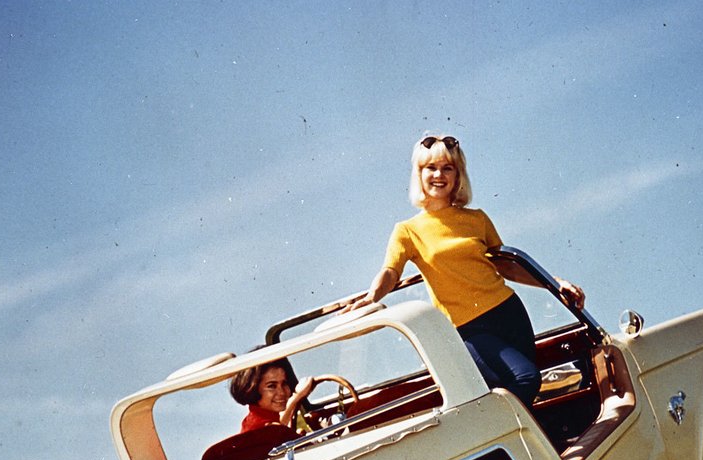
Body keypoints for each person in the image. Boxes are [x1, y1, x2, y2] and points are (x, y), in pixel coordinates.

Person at [350, 134, 584, 408]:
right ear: (419, 174)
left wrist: (554, 284)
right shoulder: (407, 231)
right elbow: (391, 271)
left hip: (509, 314)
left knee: (517, 393)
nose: (439, 175)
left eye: (447, 168)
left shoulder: (477, 219)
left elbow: (507, 265)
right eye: (431, 168)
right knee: (525, 379)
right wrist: (372, 297)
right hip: (467, 330)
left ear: (458, 175)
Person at [229, 359, 315, 433]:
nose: (281, 392)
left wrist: (298, 396)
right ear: (253, 389)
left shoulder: (256, 418)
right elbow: (277, 428)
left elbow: (280, 423)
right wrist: (298, 396)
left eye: (284, 383)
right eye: (272, 386)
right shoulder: (265, 428)